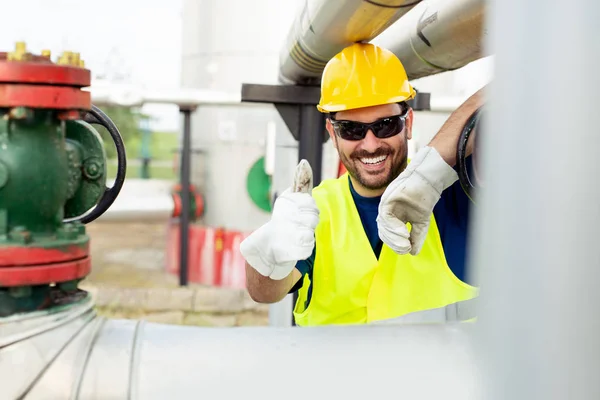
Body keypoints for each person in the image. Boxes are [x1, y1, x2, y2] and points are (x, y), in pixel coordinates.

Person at [240, 42, 482, 326]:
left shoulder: (455, 193)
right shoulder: (315, 211)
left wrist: (429, 172)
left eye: (386, 125)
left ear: (409, 123)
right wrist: (269, 257)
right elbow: (264, 292)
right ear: (333, 132)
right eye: (352, 129)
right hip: (338, 372)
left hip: (442, 370)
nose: (370, 144)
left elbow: (514, 92)